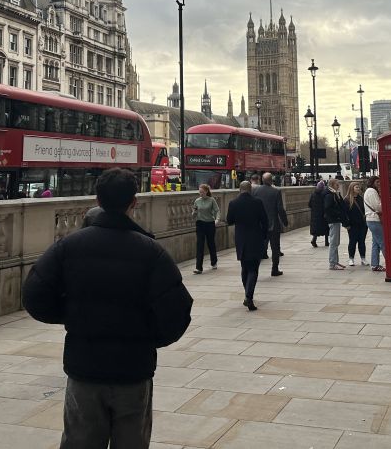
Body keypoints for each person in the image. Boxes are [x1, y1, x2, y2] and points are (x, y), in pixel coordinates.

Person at [24, 168, 192, 448]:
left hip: (84, 367)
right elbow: (178, 312)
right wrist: (148, 339)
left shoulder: (68, 246)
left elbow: (33, 295)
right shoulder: (152, 252)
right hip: (133, 370)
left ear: (98, 201)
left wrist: (70, 315)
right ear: (133, 202)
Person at [226, 180, 268, 311]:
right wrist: (264, 237)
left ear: (240, 189)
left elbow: (229, 221)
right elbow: (265, 221)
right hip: (255, 238)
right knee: (253, 269)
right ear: (250, 189)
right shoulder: (257, 202)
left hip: (241, 239)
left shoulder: (233, 203)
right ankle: (249, 297)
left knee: (244, 268)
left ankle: (247, 294)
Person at [252, 172, 288, 276]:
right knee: (275, 248)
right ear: (271, 180)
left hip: (260, 224)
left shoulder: (255, 191)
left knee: (259, 247)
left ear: (262, 180)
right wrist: (285, 221)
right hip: (273, 224)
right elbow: (280, 209)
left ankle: (254, 270)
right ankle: (274, 269)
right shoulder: (276, 191)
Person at [192, 184, 220, 274]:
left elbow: (217, 210)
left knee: (210, 243)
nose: (201, 194)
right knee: (200, 245)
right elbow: (193, 214)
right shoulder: (197, 201)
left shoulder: (211, 200)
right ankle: (198, 268)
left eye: (202, 192)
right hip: (200, 224)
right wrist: (194, 212)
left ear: (206, 191)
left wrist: (217, 219)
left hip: (210, 224)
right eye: (199, 192)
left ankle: (214, 262)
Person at [363, 175, 385, 272]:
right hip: (374, 219)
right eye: (377, 182)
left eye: (379, 182)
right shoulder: (371, 191)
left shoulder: (370, 191)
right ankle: (390, 263)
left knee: (375, 243)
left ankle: (375, 265)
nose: (379, 184)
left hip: (371, 220)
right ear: (372, 183)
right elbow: (378, 207)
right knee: (383, 242)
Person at [323, 178, 345, 270]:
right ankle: (332, 263)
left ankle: (335, 261)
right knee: (334, 242)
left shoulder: (334, 193)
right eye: (337, 184)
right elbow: (328, 208)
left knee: (336, 242)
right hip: (333, 220)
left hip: (335, 220)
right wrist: (338, 214)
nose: (338, 186)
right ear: (332, 185)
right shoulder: (329, 195)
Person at [347, 182, 368, 266]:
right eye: (356, 187)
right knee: (352, 242)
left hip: (362, 224)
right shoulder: (347, 199)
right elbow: (345, 213)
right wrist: (346, 224)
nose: (358, 189)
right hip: (352, 225)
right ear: (352, 188)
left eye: (359, 187)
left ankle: (363, 258)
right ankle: (351, 258)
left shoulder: (361, 198)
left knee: (362, 242)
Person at [308, 180, 329, 247]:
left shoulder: (313, 194)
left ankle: (314, 240)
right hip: (323, 214)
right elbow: (326, 204)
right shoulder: (324, 194)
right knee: (326, 227)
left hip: (315, 214)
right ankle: (326, 242)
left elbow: (309, 204)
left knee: (316, 228)